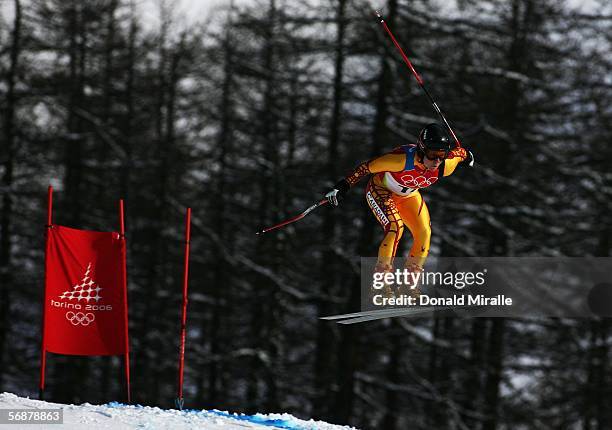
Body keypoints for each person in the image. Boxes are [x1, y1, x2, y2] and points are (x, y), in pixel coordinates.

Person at [325, 123, 473, 294]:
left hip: (408, 196)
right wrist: (343, 186)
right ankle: (380, 283)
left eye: (441, 155)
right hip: (381, 190)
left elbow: (459, 154)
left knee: (424, 233)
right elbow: (367, 167)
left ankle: (409, 285)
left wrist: (468, 156)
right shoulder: (401, 161)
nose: (436, 161)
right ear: (422, 149)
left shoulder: (444, 167)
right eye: (433, 155)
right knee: (395, 228)